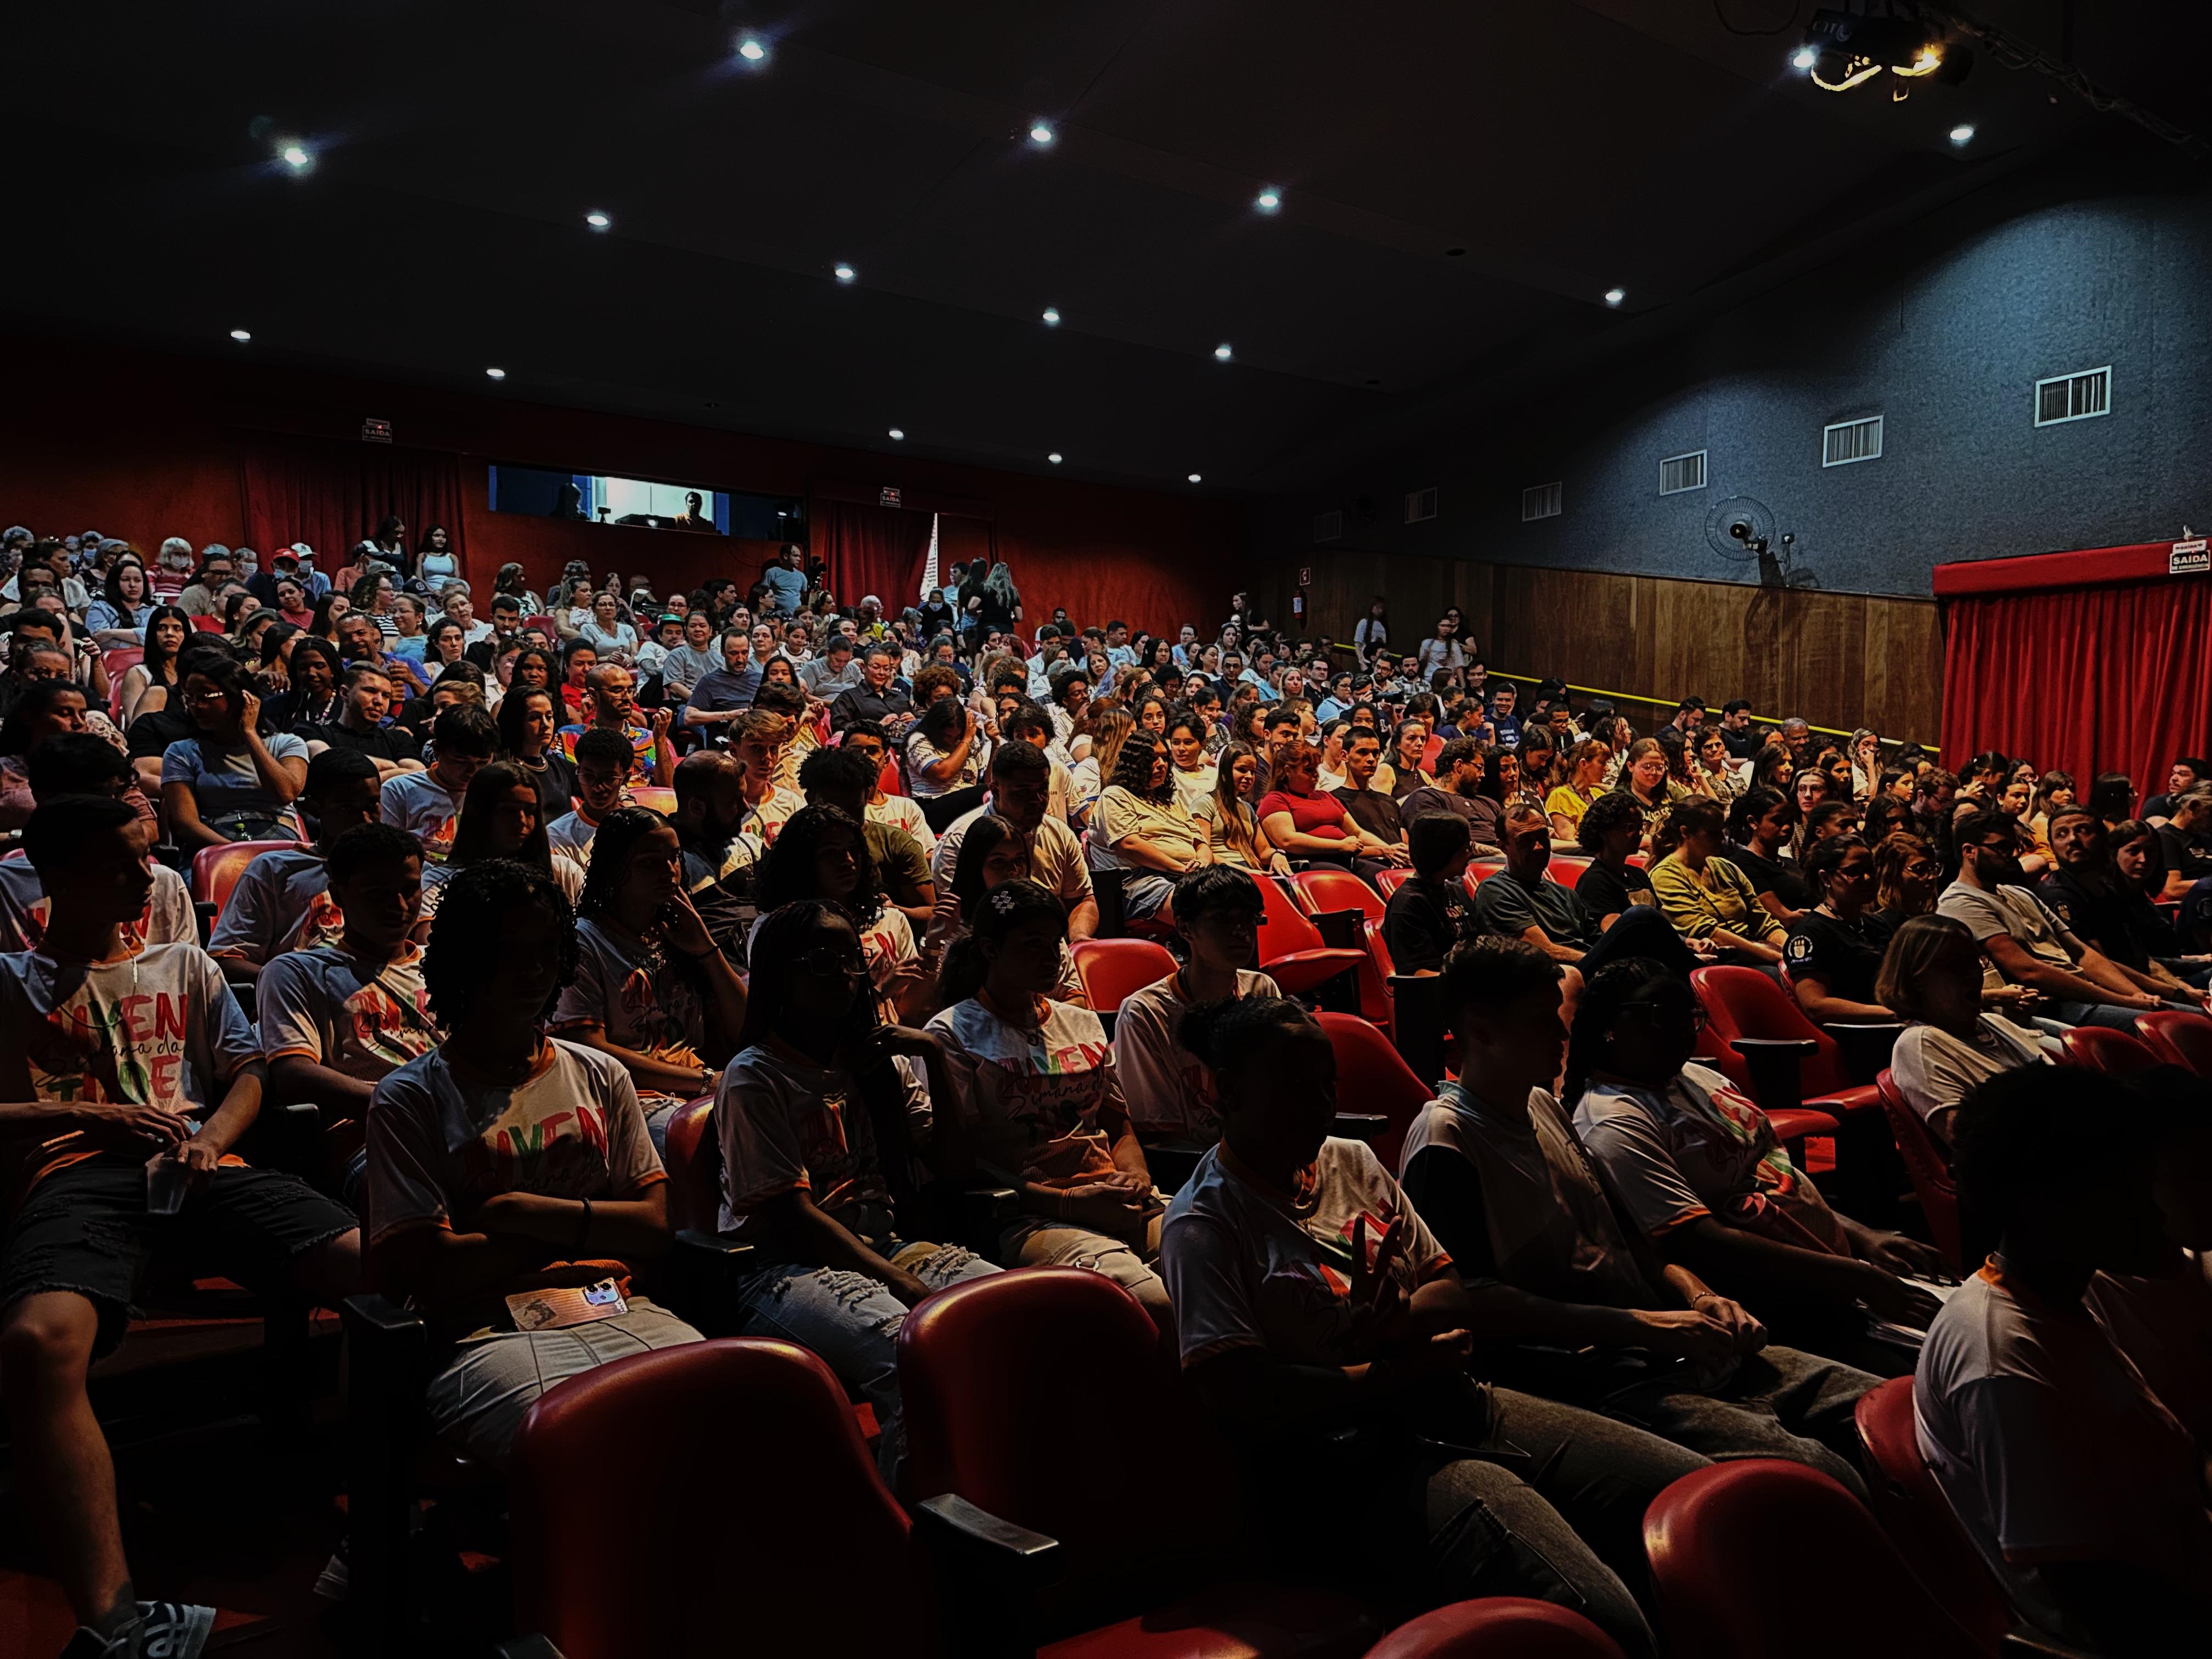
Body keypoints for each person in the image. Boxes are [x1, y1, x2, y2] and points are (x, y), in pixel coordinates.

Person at [1161, 994, 1696, 1657]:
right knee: (1602, 1615)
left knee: (1694, 1501)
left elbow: (1447, 1289)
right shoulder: (1205, 1222)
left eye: (1327, 1085)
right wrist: (1390, 1370)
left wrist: (1389, 1333)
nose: (1321, 1103)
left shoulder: (1349, 1161)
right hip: (1356, 1468)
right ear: (1231, 1092)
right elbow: (1241, 1395)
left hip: (1446, 1398)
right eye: (1295, 1087)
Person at [0, 798, 360, 1659]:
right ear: (56, 878)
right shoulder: (8, 979)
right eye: (121, 863)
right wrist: (94, 1117)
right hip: (77, 1176)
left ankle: (371, 1515)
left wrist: (208, 1140)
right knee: (36, 1341)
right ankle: (117, 1621)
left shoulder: (184, 963)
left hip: (205, 1166)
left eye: (147, 856)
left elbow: (247, 1076)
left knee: (382, 1265)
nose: (148, 875)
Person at [1402, 938, 1878, 1490]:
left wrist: (1700, 1296)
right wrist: (1644, 1327)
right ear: (1481, 1030)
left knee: (1882, 1404)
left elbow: (1629, 1238)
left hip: (1663, 1346)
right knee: (1824, 1475)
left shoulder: (1542, 1105)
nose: (1562, 1036)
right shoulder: (1446, 1138)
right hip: (1588, 1378)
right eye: (1540, 1022)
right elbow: (1476, 1303)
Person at [364, 858, 701, 1471]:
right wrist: (588, 1228)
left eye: (546, 950)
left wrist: (512, 1213)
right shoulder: (412, 1096)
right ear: (467, 959)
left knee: (735, 1418)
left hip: (613, 1303)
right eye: (506, 952)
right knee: (597, 1450)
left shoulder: (601, 1074)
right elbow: (433, 1272)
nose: (533, 971)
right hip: (484, 1333)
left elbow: (656, 1225)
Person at [1916, 1066, 2212, 1651]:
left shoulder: (2061, 1301)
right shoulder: (2003, 1360)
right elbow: (2099, 1600)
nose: (2157, 1216)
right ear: (2046, 1205)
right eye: (2129, 1190)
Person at [715, 899, 998, 1480]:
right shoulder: (756, 1074)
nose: (844, 975)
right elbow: (790, 1215)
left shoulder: (875, 1062)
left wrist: (932, 1055)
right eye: (822, 961)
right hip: (784, 1268)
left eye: (851, 960)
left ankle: (1003, 1483)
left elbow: (953, 1165)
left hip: (885, 1243)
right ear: (780, 975)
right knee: (910, 1352)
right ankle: (917, 1516)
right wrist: (897, 1280)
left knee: (1008, 1315)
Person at [1568, 958, 1952, 1376]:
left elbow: (1773, 1174)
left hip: (1829, 1277)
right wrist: (1860, 1280)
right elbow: (1698, 1240)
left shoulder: (1697, 1077)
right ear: (1609, 1028)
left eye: (1691, 1017)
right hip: (1773, 1303)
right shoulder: (1613, 1122)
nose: (1682, 1032)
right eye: (1661, 1018)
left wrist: (1863, 1238)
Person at [926, 881, 1171, 1325]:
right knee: (1151, 1302)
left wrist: (1136, 1175)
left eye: (1054, 943)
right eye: (1031, 944)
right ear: (990, 950)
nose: (1051, 957)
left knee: (1223, 1260)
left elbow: (1118, 1125)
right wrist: (1070, 1203)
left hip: (1118, 1198)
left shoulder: (1082, 1022)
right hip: (1029, 1214)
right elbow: (961, 1164)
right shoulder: (953, 1033)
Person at [259, 821, 435, 1158]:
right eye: (377, 894)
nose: (399, 905)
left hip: (458, 1123)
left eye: (410, 889)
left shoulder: (445, 964)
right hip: (367, 1133)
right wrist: (414, 1109)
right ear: (339, 894)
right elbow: (294, 1073)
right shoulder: (298, 971)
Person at [1939, 809, 2176, 1031]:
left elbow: (2081, 953)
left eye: (2014, 847)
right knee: (2174, 1026)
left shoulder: (2020, 893)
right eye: (2002, 848)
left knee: (2190, 1016)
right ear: (1969, 851)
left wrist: (2137, 996)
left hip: (2087, 995)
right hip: (2055, 1007)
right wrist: (2124, 1000)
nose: (2012, 856)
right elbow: (2028, 971)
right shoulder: (1960, 902)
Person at [1113, 867, 1279, 1144]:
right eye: (1222, 919)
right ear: (1184, 928)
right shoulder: (1145, 1013)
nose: (1241, 931)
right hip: (1198, 1168)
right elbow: (1160, 1134)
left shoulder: (1261, 989)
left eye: (1249, 919)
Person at [1476, 804, 1701, 981]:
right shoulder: (1495, 889)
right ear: (1503, 846)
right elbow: (1544, 951)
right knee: (1639, 917)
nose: (1538, 847)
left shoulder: (1563, 893)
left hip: (1595, 967)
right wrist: (1611, 963)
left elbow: (1598, 940)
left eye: (1543, 837)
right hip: (1560, 974)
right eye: (1525, 841)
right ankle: (1698, 972)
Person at [1879, 915, 2050, 1144]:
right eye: (1955, 965)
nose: (1973, 974)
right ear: (1917, 977)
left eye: (1975, 961)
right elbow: (1972, 1144)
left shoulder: (1996, 1023)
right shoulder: (1919, 1044)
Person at [160, 657, 310, 848]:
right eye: (190, 698)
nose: (196, 706)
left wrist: (249, 733)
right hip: (215, 846)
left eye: (206, 696)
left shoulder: (287, 744)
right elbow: (186, 824)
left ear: (240, 698)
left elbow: (285, 794)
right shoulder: (181, 752)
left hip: (277, 840)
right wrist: (235, 852)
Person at [1090, 731, 1212, 926]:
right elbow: (1129, 844)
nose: (1162, 764)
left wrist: (1203, 864)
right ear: (1134, 762)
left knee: (1239, 893)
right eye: (1152, 758)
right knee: (1203, 910)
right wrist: (1182, 869)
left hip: (1186, 875)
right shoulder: (1115, 796)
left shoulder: (1173, 802)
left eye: (1164, 757)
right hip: (1138, 880)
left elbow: (1201, 844)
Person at [1649, 798, 1787, 968]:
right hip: (1720, 962)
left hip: (1759, 953)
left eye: (1722, 830)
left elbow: (1764, 923)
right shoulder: (1665, 876)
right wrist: (1775, 957)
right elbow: (1709, 933)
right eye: (1713, 832)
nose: (1722, 838)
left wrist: (1791, 951)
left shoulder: (1726, 867)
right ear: (1686, 832)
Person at [1257, 741, 1406, 883]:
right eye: (1308, 770)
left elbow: (1358, 833)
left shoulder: (1324, 795)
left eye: (1316, 769)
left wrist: (1388, 849)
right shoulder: (1275, 799)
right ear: (1288, 771)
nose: (1315, 775)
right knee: (1350, 882)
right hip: (1311, 863)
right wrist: (1339, 846)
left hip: (1346, 859)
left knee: (1391, 877)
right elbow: (1288, 840)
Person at [1783, 836, 1897, 1023]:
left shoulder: (1877, 924)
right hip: (1860, 1032)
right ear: (1826, 878)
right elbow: (1815, 1005)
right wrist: (1891, 1014)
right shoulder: (1810, 933)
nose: (1867, 878)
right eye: (1854, 872)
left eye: (1870, 870)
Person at [380, 703, 497, 866]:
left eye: (482, 763)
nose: (472, 771)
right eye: (460, 762)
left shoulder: (494, 791)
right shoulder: (400, 790)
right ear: (436, 749)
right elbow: (388, 853)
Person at [294, 662, 423, 782]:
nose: (379, 701)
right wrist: (390, 766)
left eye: (386, 696)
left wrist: (365, 774)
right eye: (370, 691)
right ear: (345, 693)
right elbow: (330, 764)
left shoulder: (399, 739)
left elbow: (419, 774)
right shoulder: (312, 730)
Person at [1383, 812, 1475, 977]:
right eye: (1466, 848)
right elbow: (1420, 974)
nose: (1471, 853)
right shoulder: (1407, 903)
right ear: (1443, 853)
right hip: (1437, 997)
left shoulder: (1456, 890)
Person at [1573, 791, 1654, 927]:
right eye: (1630, 828)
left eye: (1642, 827)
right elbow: (1617, 934)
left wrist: (1687, 941)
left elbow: (1662, 923)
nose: (1640, 834)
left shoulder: (1639, 874)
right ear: (1605, 832)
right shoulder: (1594, 882)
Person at [116, 605, 191, 727]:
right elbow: (136, 726)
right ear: (152, 634)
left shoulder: (192, 673)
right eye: (162, 628)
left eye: (177, 628)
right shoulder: (138, 674)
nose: (170, 634)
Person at [682, 627, 761, 739]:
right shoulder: (709, 682)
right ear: (723, 652)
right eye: (733, 653)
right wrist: (728, 715)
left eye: (744, 653)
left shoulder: (759, 679)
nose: (740, 659)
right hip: (724, 739)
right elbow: (689, 717)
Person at [1546, 738, 1612, 840]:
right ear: (1584, 764)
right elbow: (1570, 842)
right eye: (1602, 762)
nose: (1607, 768)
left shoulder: (1600, 794)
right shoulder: (1561, 796)